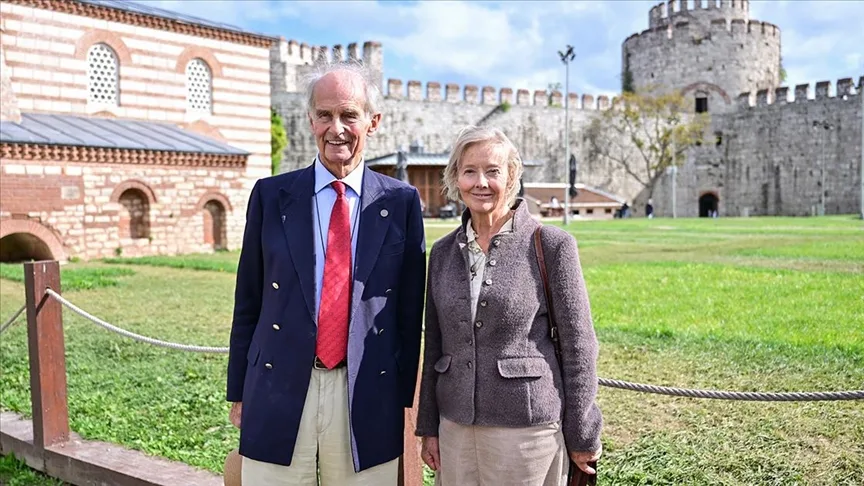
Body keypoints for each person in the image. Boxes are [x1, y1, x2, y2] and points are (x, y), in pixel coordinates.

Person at [225, 61, 427, 485]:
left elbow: (410, 315)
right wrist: (240, 391)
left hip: (366, 389)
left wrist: (403, 401)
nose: (337, 128)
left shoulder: (402, 203)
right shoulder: (269, 196)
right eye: (325, 115)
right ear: (310, 119)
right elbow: (249, 303)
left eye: (349, 115)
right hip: (278, 383)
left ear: (372, 122)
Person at [415, 125, 603, 485]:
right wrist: (429, 426)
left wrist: (583, 433)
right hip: (455, 429)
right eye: (469, 171)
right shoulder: (441, 253)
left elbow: (580, 346)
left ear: (512, 176)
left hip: (527, 433)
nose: (480, 182)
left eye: (493, 171)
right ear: (456, 178)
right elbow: (435, 344)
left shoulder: (551, 245)